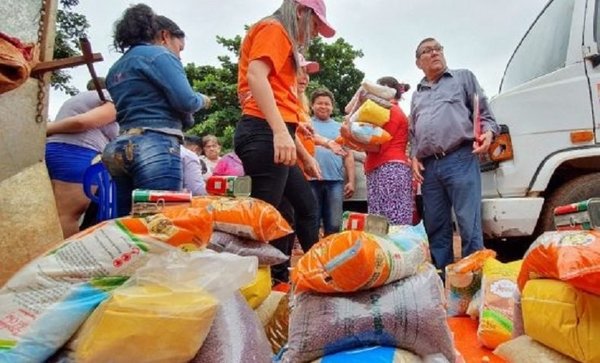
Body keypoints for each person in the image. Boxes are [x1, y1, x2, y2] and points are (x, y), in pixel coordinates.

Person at [234, 0, 334, 282]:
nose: (314, 34)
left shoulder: (280, 34)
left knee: (303, 208)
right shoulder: (274, 28)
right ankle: (254, 288)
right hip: (263, 131)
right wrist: (279, 132)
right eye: (315, 25)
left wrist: (302, 154)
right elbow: (256, 76)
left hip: (271, 131)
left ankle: (306, 277)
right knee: (265, 221)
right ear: (302, 12)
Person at [102, 5, 210, 217]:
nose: (179, 56)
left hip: (118, 148)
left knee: (127, 223)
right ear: (164, 36)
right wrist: (202, 100)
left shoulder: (116, 68)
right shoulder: (159, 56)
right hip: (154, 144)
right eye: (179, 48)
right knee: (159, 224)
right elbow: (186, 101)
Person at [409, 37, 500, 274]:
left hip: (460, 157)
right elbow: (413, 132)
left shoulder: (463, 78)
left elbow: (486, 115)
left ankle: (474, 281)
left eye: (438, 48)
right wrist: (414, 157)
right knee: (436, 225)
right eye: (427, 51)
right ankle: (442, 280)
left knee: (468, 223)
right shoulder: (417, 94)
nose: (434, 53)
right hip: (429, 168)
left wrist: (489, 133)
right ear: (419, 62)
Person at [45, 77, 117, 238]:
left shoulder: (79, 99)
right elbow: (81, 123)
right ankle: (62, 262)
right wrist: (45, 128)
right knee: (68, 216)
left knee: (49, 215)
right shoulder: (113, 98)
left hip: (53, 151)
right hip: (77, 154)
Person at [341, 77, 413, 225]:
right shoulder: (384, 112)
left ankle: (394, 249)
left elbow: (379, 146)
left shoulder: (392, 112)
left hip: (390, 169)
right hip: (381, 168)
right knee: (379, 221)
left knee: (391, 222)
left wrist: (349, 137)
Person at [310, 88, 355, 235]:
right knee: (311, 222)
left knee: (335, 224)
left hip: (335, 181)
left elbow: (348, 155)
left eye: (327, 104)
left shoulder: (340, 128)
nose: (323, 106)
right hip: (310, 180)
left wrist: (351, 181)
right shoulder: (306, 125)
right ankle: (313, 256)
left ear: (332, 107)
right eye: (319, 103)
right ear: (312, 106)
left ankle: (331, 255)